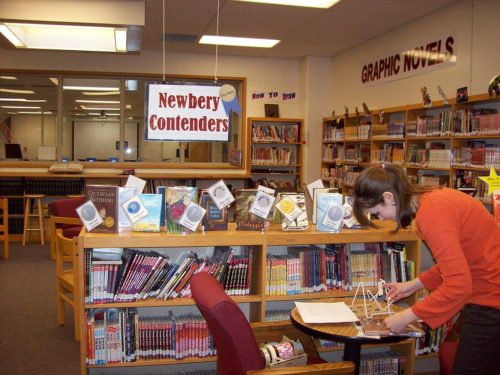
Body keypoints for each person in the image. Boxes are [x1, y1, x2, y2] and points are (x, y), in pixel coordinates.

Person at [352, 164, 500, 375]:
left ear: (390, 197)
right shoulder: (432, 198)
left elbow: (458, 284)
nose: (382, 219)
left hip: (491, 300)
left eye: (377, 212)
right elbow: (459, 262)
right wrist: (412, 285)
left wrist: (406, 317)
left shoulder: (431, 214)